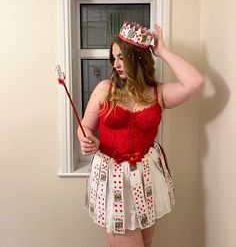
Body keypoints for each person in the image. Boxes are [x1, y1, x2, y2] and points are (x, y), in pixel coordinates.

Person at [77, 22, 204, 247]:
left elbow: (195, 82)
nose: (116, 64)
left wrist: (161, 50)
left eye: (121, 57)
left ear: (138, 58)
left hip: (146, 178)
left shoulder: (158, 93)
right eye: (113, 58)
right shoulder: (105, 89)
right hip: (113, 178)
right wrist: (86, 140)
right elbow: (85, 127)